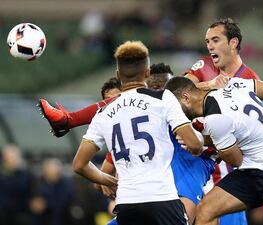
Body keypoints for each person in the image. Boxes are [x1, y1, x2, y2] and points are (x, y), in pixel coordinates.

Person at [72, 40, 204, 225]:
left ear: (118, 75)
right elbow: (193, 144)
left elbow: (79, 164)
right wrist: (198, 143)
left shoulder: (103, 112)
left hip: (126, 205)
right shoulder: (162, 98)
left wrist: (108, 180)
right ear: (147, 73)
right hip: (161, 199)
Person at [165, 76, 263, 225]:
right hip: (253, 169)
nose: (175, 116)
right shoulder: (235, 84)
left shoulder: (215, 119)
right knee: (206, 210)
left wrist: (200, 141)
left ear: (186, 98)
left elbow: (235, 160)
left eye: (175, 109)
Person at [95, 63, 215, 225]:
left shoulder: (200, 108)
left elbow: (224, 139)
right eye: (154, 89)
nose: (160, 93)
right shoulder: (141, 126)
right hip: (150, 193)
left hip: (195, 169)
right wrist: (110, 183)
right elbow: (103, 175)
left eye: (164, 88)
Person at [184, 18, 260, 225]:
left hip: (229, 168)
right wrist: (210, 85)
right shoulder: (204, 66)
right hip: (197, 166)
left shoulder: (250, 80)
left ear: (233, 43)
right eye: (208, 41)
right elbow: (180, 91)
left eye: (215, 40)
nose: (209, 46)